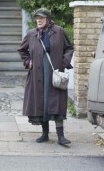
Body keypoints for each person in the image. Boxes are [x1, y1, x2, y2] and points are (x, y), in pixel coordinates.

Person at [17, 8, 74, 145]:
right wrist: (28, 61)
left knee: (57, 104)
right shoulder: (32, 34)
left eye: (41, 18)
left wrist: (64, 62)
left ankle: (61, 136)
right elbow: (22, 50)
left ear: (48, 19)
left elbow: (69, 48)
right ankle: (44, 134)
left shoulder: (59, 31)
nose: (39, 20)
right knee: (41, 103)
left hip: (54, 74)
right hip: (37, 75)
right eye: (37, 18)